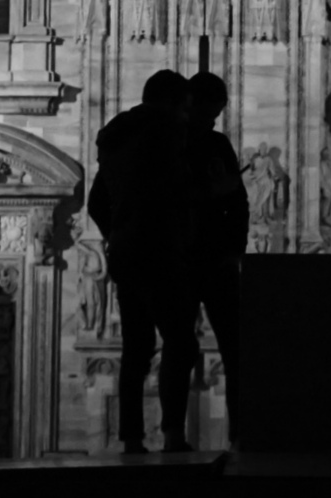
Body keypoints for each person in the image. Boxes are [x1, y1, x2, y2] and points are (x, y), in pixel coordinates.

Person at [86, 70, 200, 454]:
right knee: (180, 341)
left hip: (124, 250)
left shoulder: (116, 137)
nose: (187, 117)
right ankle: (172, 434)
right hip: (160, 247)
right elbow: (174, 189)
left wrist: (117, 230)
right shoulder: (165, 131)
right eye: (185, 108)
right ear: (170, 103)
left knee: (136, 346)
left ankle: (132, 438)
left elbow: (97, 201)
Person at [185, 71, 249, 447]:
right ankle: (177, 433)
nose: (210, 122)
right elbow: (233, 200)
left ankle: (237, 434)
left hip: (210, 259)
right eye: (209, 114)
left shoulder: (214, 144)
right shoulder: (175, 145)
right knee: (185, 346)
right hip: (196, 258)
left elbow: (238, 200)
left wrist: (235, 250)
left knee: (231, 346)